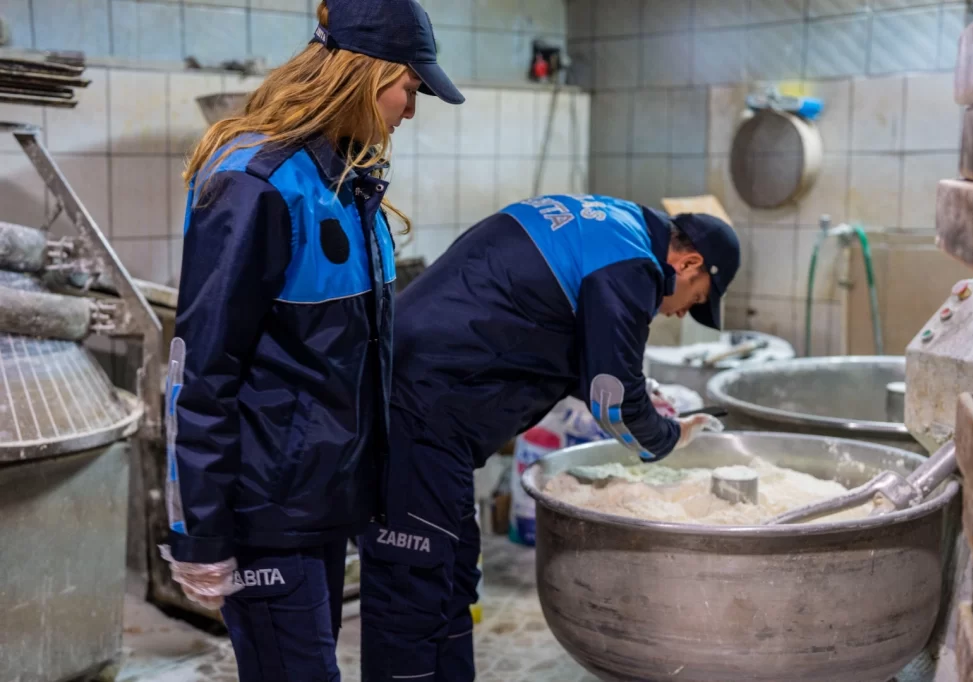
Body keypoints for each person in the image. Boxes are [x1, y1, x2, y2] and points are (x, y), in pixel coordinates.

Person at [160, 1, 463, 680]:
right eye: (410, 88)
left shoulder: (345, 181)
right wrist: (198, 530)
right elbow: (200, 370)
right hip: (264, 511)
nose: (411, 110)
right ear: (365, 74)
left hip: (319, 501)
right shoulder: (257, 184)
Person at [359, 194, 741, 681]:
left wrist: (644, 391)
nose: (683, 312)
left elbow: (553, 330)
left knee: (452, 578)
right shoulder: (632, 265)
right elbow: (614, 402)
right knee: (411, 594)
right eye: (697, 299)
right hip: (416, 413)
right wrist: (671, 436)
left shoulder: (609, 223)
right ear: (688, 263)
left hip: (422, 408)